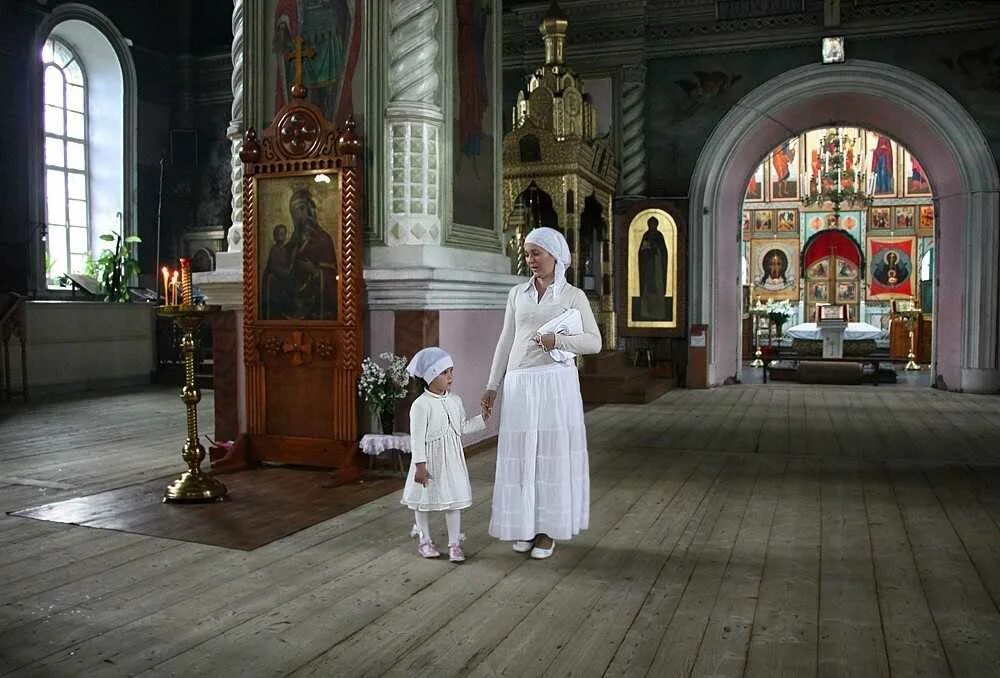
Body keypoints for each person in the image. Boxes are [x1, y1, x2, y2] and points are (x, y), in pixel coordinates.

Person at [481, 227, 602, 559]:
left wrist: (558, 342)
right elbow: (506, 340)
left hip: (555, 382)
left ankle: (548, 531)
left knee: (550, 454)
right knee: (522, 457)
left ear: (555, 255)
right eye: (527, 252)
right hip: (520, 383)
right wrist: (493, 384)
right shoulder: (517, 294)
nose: (529, 259)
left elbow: (594, 342)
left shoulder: (572, 296)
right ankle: (526, 526)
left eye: (536, 253)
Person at [402, 347, 487, 563]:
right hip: (429, 462)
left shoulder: (455, 401)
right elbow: (417, 438)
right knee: (423, 501)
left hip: (451, 462)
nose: (450, 376)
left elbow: (462, 427)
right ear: (430, 377)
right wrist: (420, 465)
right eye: (444, 372)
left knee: (453, 501)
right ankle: (424, 540)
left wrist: (482, 418)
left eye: (451, 371)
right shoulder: (420, 405)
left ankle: (454, 544)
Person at [287, 188, 339, 319]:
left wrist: (314, 271)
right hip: (294, 301)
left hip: (317, 305)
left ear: (310, 210)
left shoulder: (324, 240)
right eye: (294, 213)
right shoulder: (293, 243)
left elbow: (332, 275)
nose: (298, 216)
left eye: (302, 209)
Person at [264, 224, 293, 318]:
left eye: (284, 234)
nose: (282, 236)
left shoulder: (285, 249)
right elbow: (273, 266)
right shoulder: (275, 249)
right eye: (280, 234)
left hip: (282, 278)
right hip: (275, 280)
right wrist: (286, 273)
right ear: (275, 236)